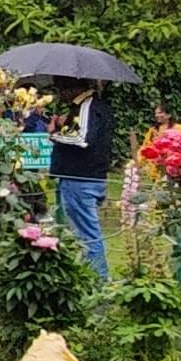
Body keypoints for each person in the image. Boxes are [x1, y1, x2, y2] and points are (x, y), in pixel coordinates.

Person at [48, 82, 114, 274]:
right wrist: (65, 125)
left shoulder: (88, 106)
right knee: (85, 232)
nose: (60, 94)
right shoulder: (97, 106)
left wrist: (54, 134)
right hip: (91, 176)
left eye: (61, 88)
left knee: (86, 234)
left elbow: (83, 139)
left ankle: (99, 279)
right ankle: (95, 276)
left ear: (72, 88)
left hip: (80, 177)